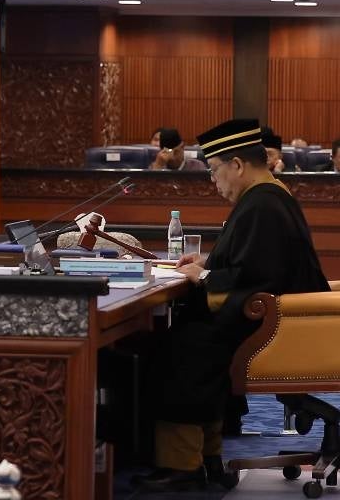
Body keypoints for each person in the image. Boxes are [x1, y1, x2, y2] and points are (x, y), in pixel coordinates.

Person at [135, 119, 329, 492]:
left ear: (237, 165)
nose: (213, 181)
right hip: (278, 319)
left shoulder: (262, 205)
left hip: (271, 328)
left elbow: (256, 281)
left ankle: (184, 464)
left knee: (180, 346)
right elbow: (251, 265)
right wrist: (207, 266)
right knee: (187, 336)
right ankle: (204, 456)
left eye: (214, 170)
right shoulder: (266, 196)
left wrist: (204, 279)